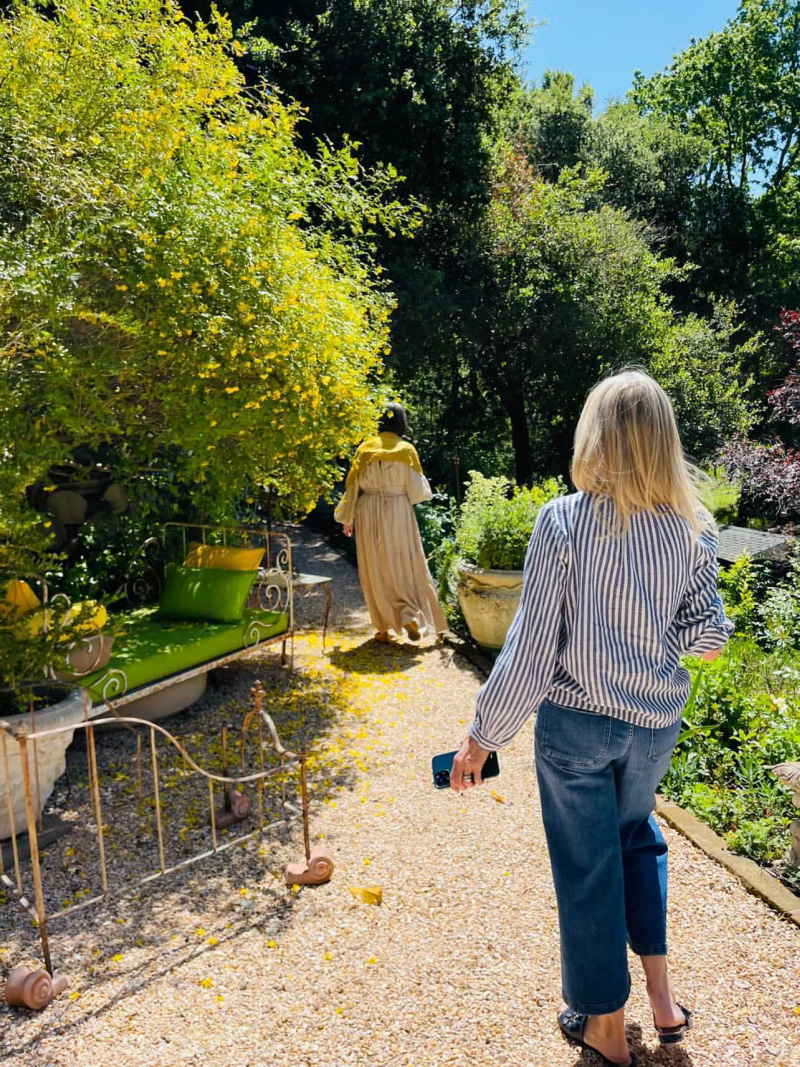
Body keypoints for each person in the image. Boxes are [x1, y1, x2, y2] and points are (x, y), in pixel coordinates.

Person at [448, 370, 734, 1067]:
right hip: (654, 727)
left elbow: (534, 643)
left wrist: (485, 733)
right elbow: (711, 635)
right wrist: (655, 631)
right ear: (663, 442)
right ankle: (661, 1004)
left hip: (578, 726)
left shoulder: (567, 519)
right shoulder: (692, 530)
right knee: (636, 838)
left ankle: (605, 1028)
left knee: (588, 868)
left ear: (596, 435)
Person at [335, 403, 447, 643]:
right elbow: (417, 492)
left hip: (367, 510)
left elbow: (352, 487)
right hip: (398, 510)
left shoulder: (364, 450)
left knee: (373, 568)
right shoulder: (406, 450)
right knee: (406, 563)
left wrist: (347, 517)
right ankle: (411, 616)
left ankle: (384, 628)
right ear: (402, 423)